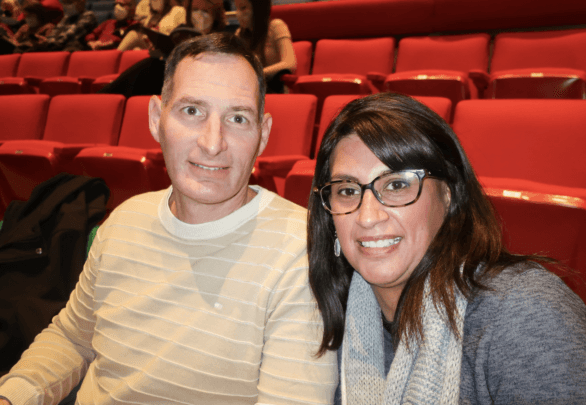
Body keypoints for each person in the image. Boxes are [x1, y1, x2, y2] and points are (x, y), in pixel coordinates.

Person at [0, 32, 337, 405]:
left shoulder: (301, 253)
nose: (213, 142)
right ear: (156, 119)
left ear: (263, 135)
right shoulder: (124, 222)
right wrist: (14, 396)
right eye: (192, 111)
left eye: (238, 118)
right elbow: (72, 337)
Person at [307, 92, 586, 404]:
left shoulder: (523, 315)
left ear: (448, 196)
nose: (367, 217)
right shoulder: (325, 312)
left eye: (396, 185)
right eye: (348, 190)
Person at [98, 0, 225, 97]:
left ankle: (106, 95)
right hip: (172, 78)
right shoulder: (182, 31)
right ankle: (108, 96)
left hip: (199, 84)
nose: (199, 16)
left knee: (151, 69)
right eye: (195, 10)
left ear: (215, 17)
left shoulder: (222, 39)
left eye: (205, 12)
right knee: (152, 65)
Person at [234, 0, 296, 93]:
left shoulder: (276, 26)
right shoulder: (239, 33)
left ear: (258, 9)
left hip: (275, 90)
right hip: (248, 92)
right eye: (236, 8)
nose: (237, 14)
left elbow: (290, 63)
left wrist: (258, 73)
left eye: (243, 8)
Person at [117, 0, 185, 50]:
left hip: (167, 48)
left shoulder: (178, 11)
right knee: (136, 49)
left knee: (134, 35)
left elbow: (182, 36)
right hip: (151, 47)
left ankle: (115, 55)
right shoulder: (151, 15)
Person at [31, 0, 95, 51]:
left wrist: (47, 42)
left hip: (74, 51)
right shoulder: (66, 18)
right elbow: (54, 33)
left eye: (69, 2)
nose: (66, 5)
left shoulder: (88, 16)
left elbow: (69, 37)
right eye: (64, 3)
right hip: (57, 48)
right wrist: (45, 40)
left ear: (81, 2)